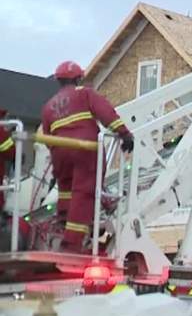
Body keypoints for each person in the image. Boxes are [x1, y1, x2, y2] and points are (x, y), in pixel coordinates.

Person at [40, 61, 134, 253]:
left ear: (58, 81)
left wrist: (57, 163)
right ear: (78, 78)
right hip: (85, 149)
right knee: (84, 194)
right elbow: (106, 113)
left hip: (60, 152)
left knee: (66, 192)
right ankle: (71, 245)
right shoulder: (85, 94)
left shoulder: (48, 106)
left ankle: (61, 228)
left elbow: (47, 136)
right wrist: (124, 133)